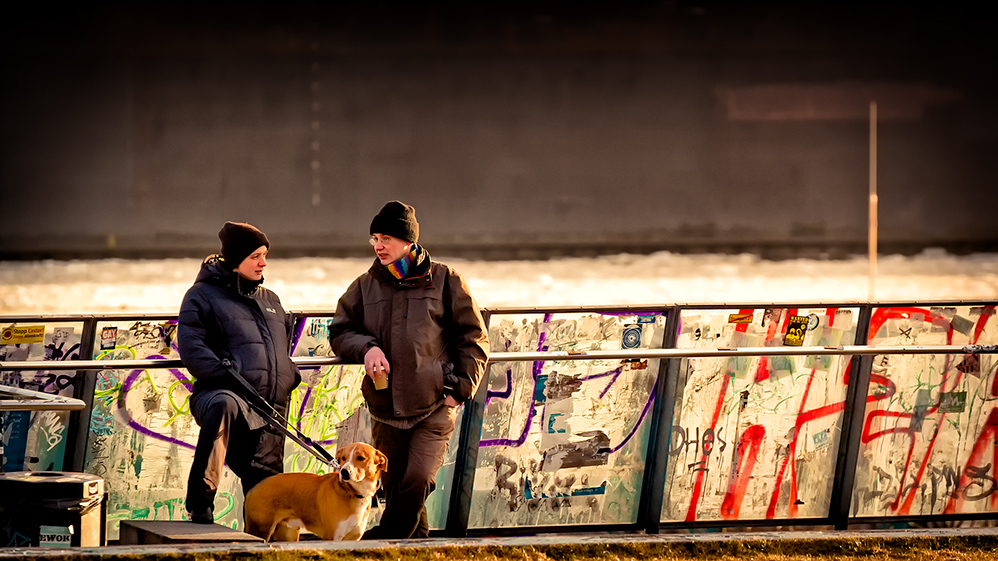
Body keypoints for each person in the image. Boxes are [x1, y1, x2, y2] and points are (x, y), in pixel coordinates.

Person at [328, 201, 490, 539]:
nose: (378, 246)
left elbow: (473, 338)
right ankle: (418, 544)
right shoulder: (364, 285)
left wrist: (459, 389)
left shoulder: (446, 281)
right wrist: (367, 347)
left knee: (418, 479)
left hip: (434, 405)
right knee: (398, 484)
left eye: (386, 238)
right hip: (385, 407)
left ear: (409, 243)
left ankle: (386, 537)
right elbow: (340, 331)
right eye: (374, 238)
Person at [178, 221, 301, 524]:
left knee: (267, 505)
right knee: (224, 403)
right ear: (235, 261)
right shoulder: (201, 295)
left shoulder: (271, 300)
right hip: (224, 393)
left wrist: (290, 375)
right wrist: (227, 374)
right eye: (255, 256)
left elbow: (279, 350)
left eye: (264, 255)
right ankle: (200, 503)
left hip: (270, 407)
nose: (263, 262)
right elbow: (192, 348)